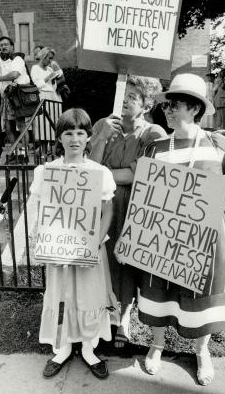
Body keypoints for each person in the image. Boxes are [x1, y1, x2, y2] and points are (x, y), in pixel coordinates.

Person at [133, 73, 225, 386]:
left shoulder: (217, 144)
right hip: (165, 235)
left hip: (206, 238)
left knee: (203, 291)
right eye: (168, 105)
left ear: (196, 109)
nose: (169, 110)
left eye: (177, 105)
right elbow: (143, 192)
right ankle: (157, 345)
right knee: (160, 288)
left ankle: (202, 351)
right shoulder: (155, 148)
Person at [30, 108, 118, 379]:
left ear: (89, 136)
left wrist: (93, 243)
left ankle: (90, 349)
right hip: (60, 249)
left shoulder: (98, 173)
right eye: (68, 133)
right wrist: (42, 239)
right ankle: (64, 347)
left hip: (89, 249)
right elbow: (38, 207)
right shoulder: (47, 171)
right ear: (59, 137)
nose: (75, 139)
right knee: (62, 295)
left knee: (89, 296)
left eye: (81, 133)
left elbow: (108, 210)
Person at [90, 75, 167, 348]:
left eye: (132, 98)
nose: (124, 103)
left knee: (128, 262)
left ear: (145, 105)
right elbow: (89, 168)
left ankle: (124, 318)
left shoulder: (152, 134)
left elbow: (141, 175)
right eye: (122, 96)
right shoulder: (102, 125)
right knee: (105, 259)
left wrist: (104, 174)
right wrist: (100, 139)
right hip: (104, 206)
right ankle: (106, 315)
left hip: (135, 207)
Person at [0, 36, 30, 159]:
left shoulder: (17, 59)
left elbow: (14, 74)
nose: (3, 47)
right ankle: (15, 153)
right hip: (6, 97)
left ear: (12, 46)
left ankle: (24, 155)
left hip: (17, 97)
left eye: (6, 44)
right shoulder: (1, 61)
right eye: (1, 45)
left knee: (20, 125)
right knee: (8, 128)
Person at [30, 47, 63, 148]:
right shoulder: (35, 68)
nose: (50, 61)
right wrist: (48, 77)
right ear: (43, 57)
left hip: (53, 96)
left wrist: (57, 69)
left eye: (52, 58)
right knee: (42, 123)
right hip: (42, 96)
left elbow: (58, 78)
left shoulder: (50, 68)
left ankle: (53, 148)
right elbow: (36, 84)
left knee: (54, 122)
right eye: (49, 58)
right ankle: (43, 149)